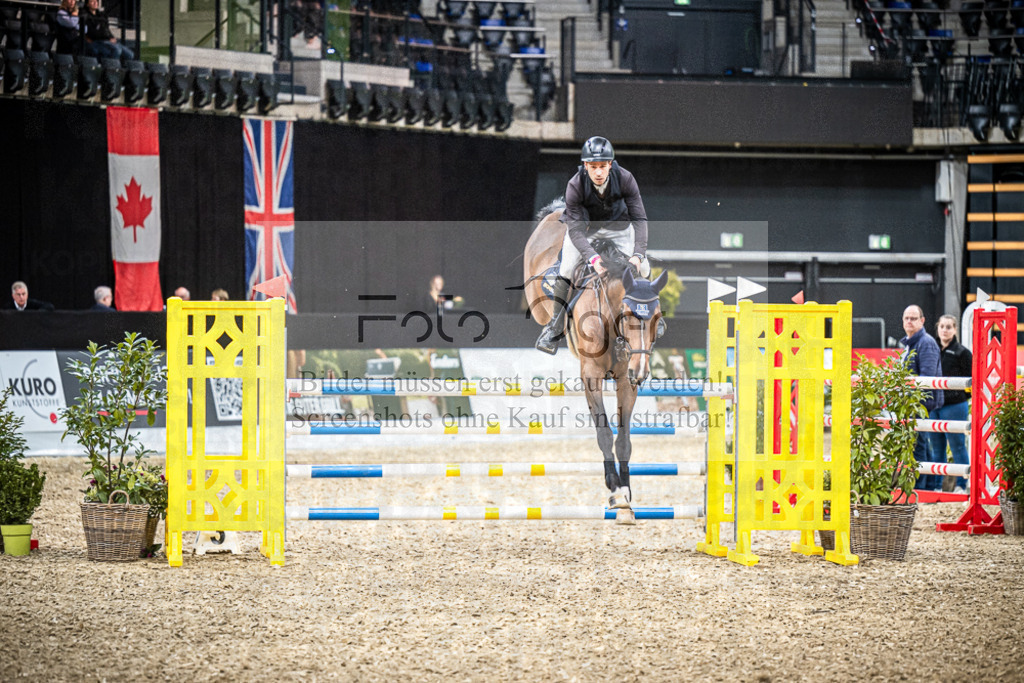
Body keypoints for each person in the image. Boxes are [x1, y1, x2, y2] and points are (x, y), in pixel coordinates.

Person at [536, 136, 651, 355]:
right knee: (566, 268)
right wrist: (593, 258)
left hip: (619, 230)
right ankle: (554, 328)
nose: (598, 172)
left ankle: (652, 315)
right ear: (586, 165)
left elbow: (640, 219)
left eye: (603, 166)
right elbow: (576, 232)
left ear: (610, 164)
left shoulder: (626, 178)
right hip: (584, 231)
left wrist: (638, 253)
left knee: (644, 268)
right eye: (594, 166)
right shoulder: (575, 184)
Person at [900, 305, 944, 493]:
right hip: (913, 405)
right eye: (906, 318)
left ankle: (923, 486)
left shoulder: (925, 343)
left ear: (922, 321)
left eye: (913, 318)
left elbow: (927, 377)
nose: (909, 321)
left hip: (922, 405)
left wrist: (917, 403)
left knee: (919, 446)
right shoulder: (911, 343)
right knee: (919, 445)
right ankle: (923, 486)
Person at [930, 314, 972, 494]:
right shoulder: (931, 350)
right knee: (936, 448)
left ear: (955, 330)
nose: (945, 330)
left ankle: (962, 486)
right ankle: (937, 486)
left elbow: (971, 380)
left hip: (954, 406)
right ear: (937, 328)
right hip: (934, 406)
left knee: (957, 446)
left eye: (949, 327)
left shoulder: (963, 352)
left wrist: (958, 396)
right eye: (942, 326)